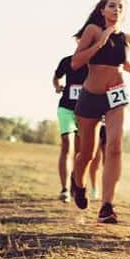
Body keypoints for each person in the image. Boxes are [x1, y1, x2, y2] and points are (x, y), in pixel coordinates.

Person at [70, 0, 130, 224]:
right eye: (111, 6)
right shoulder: (93, 30)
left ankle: (107, 205)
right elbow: (76, 62)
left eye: (120, 7)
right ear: (102, 10)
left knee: (114, 147)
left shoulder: (127, 38)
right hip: (91, 96)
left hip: (116, 94)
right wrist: (101, 40)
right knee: (88, 152)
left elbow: (122, 62)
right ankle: (78, 182)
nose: (116, 10)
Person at [52, 53, 88, 201]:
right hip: (66, 108)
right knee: (67, 144)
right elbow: (56, 76)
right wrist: (57, 86)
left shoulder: (94, 62)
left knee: (80, 152)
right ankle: (64, 189)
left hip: (86, 111)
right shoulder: (67, 61)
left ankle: (75, 181)